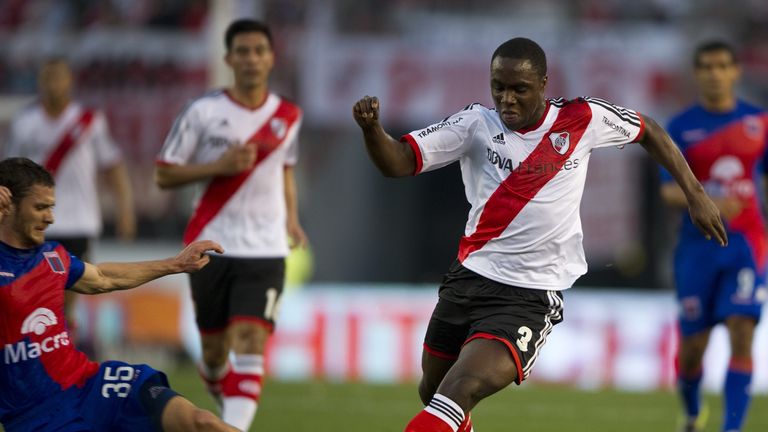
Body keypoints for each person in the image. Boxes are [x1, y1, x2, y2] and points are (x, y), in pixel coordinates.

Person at [352, 37, 727, 432]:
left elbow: (648, 129)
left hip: (526, 297)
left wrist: (696, 195)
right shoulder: (475, 124)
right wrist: (372, 129)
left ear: (544, 84)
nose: (507, 99)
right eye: (499, 87)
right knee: (433, 395)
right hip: (467, 279)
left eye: (519, 89)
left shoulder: (581, 119)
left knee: (455, 393)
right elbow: (397, 163)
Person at [0, 157, 237, 432]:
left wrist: (176, 264)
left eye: (51, 207)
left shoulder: (52, 257)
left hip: (91, 385)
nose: (50, 218)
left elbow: (103, 278)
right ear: (9, 207)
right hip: (39, 418)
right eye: (40, 208)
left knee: (201, 422)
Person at [154, 18, 307, 431]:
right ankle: (222, 388)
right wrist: (219, 166)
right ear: (228, 58)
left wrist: (292, 220)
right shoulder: (203, 112)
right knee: (215, 352)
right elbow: (164, 173)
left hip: (266, 247)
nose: (252, 59)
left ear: (271, 58)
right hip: (211, 243)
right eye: (243, 51)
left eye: (259, 50)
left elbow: (285, 170)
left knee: (250, 341)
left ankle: (233, 427)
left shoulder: (288, 116)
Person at [660, 41, 768, 432]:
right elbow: (668, 190)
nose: (714, 73)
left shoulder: (760, 122)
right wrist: (708, 200)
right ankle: (691, 413)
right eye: (706, 66)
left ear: (735, 71)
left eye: (722, 65)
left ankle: (732, 429)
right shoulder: (680, 127)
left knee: (743, 331)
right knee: (692, 352)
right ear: (697, 73)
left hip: (746, 246)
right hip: (696, 250)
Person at [3, 58, 136, 354]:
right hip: (31, 222)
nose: (54, 84)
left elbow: (112, 166)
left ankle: (63, 354)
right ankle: (34, 353)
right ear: (40, 81)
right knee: (31, 295)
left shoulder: (89, 121)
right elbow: (9, 172)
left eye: (59, 78)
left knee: (69, 294)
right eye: (48, 78)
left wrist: (125, 209)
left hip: (79, 221)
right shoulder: (25, 122)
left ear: (70, 81)